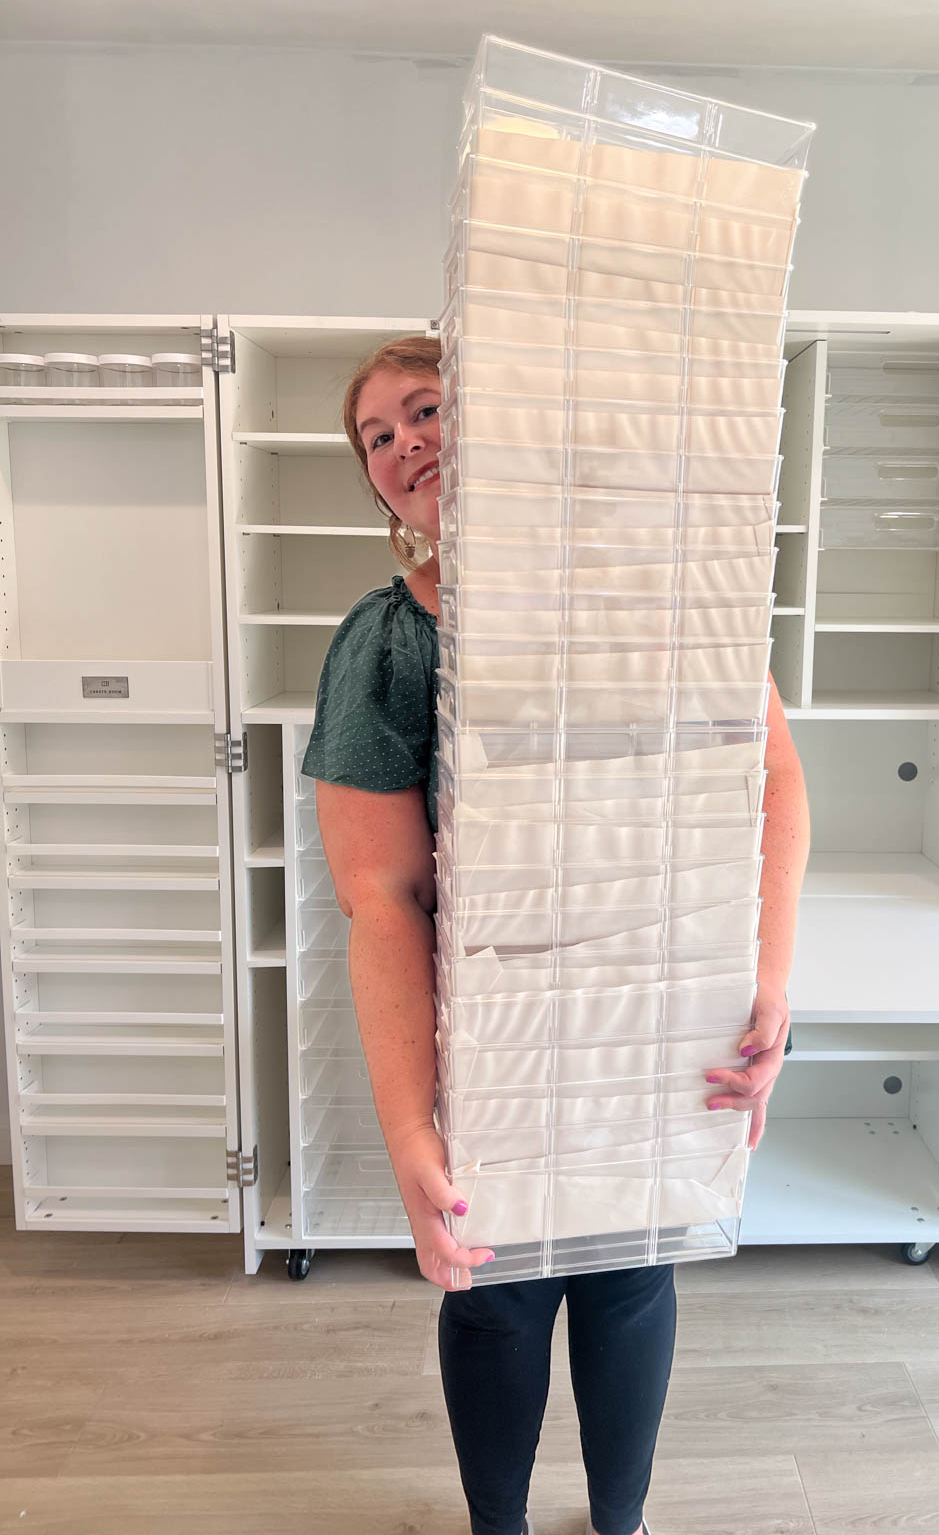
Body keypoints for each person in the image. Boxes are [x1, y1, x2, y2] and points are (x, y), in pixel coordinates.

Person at [303, 336, 810, 1535]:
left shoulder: (656, 596)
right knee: (496, 1293)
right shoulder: (391, 646)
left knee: (631, 1275)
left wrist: (766, 979)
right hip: (494, 1039)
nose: (403, 442)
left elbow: (773, 779)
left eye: (425, 409)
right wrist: (411, 1125)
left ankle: (621, 1522)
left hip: (654, 1020)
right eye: (376, 437)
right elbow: (383, 896)